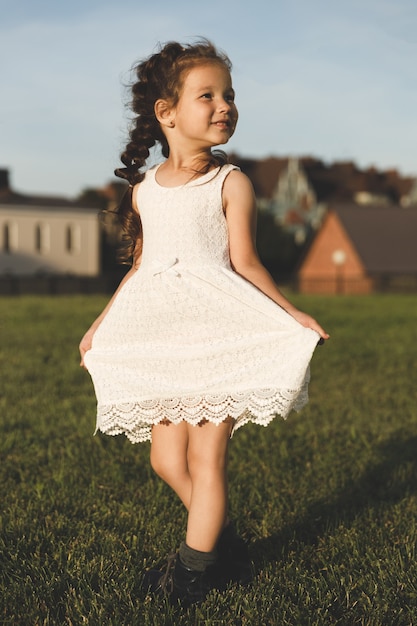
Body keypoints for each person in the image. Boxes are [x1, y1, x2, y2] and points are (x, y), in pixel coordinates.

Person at [79, 39, 329, 606]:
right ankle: (224, 546)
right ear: (166, 113)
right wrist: (100, 325)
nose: (224, 106)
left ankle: (193, 572)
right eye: (208, 95)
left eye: (229, 95)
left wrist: (292, 313)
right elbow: (141, 268)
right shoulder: (143, 192)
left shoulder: (230, 182)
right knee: (165, 459)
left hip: (217, 332)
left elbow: (245, 261)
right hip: (161, 337)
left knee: (204, 457)